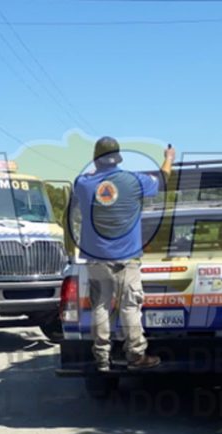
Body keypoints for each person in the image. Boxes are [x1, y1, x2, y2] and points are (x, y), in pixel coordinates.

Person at [72, 137, 174, 371]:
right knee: (129, 306)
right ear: (117, 157)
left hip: (96, 259)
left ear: (96, 158)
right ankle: (136, 355)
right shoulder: (134, 181)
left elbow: (81, 185)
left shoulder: (83, 184)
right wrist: (168, 159)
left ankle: (101, 358)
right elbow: (163, 178)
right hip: (127, 259)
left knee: (100, 306)